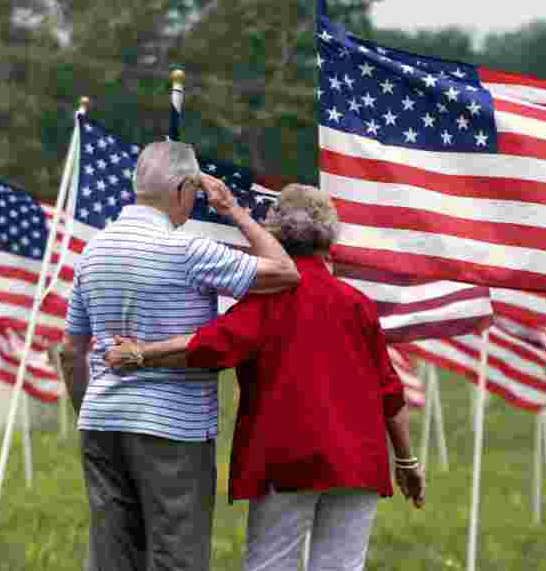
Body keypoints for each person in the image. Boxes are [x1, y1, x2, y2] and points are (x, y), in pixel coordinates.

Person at [103, 184, 426, 571]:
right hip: (359, 460)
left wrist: (142, 353)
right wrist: (406, 462)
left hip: (286, 458)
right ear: (330, 242)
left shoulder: (267, 300)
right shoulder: (357, 304)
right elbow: (390, 393)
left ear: (274, 234)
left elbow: (208, 346)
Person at [58, 140, 300, 571]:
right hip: (173, 428)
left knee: (112, 558)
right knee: (176, 558)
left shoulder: (92, 252)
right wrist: (232, 210)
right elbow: (285, 273)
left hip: (101, 420)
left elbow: (71, 351)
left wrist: (90, 408)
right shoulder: (188, 250)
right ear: (186, 189)